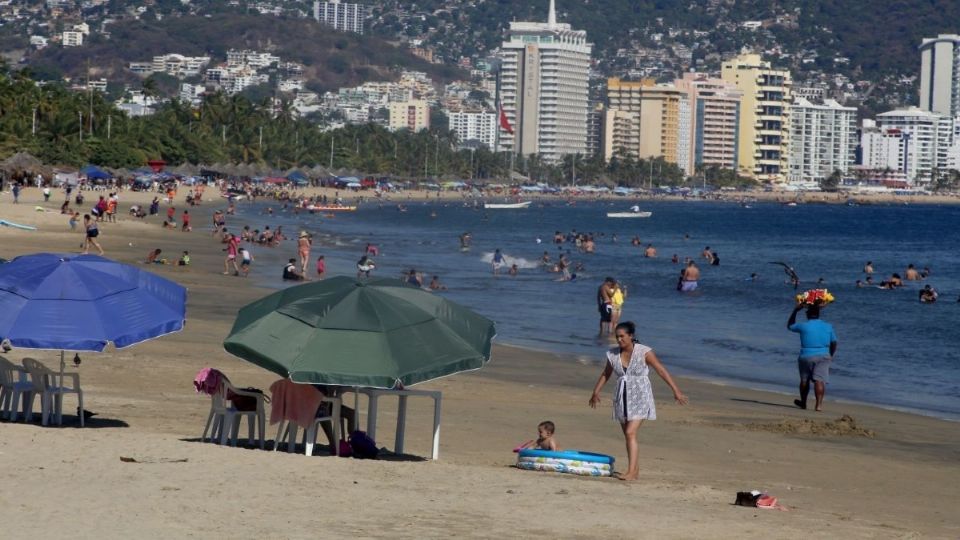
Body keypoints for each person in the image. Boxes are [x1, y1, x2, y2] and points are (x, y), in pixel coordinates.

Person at [589, 321, 688, 481]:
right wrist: (596, 391)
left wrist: (676, 391)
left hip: (640, 395)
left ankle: (630, 472)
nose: (619, 339)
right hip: (622, 397)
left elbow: (661, 370)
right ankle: (635, 471)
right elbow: (606, 373)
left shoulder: (644, 352)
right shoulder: (613, 354)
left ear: (631, 336)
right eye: (617, 336)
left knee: (630, 432)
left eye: (622, 336)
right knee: (628, 436)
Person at [787, 302, 838, 412]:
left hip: (806, 355)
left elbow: (790, 326)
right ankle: (818, 405)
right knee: (819, 381)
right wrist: (831, 354)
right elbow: (834, 342)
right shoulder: (828, 326)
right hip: (823, 356)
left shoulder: (803, 326)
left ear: (807, 315)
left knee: (804, 380)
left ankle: (803, 403)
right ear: (819, 314)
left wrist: (795, 310)